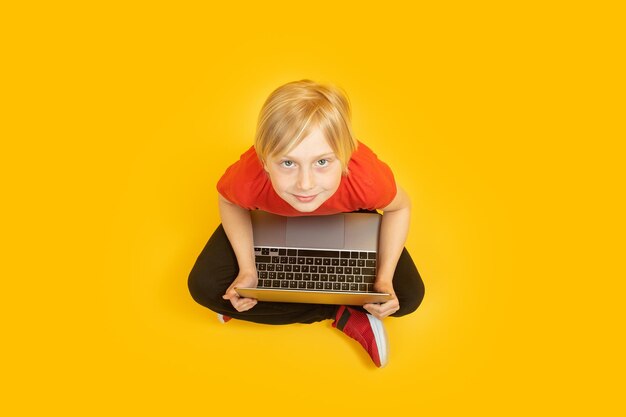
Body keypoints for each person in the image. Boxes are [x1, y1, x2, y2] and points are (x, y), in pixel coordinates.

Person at [188, 79, 425, 367]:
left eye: (322, 162)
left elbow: (399, 208)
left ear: (346, 157)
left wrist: (384, 278)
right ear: (264, 161)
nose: (305, 184)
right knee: (205, 289)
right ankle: (340, 310)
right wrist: (248, 270)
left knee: (407, 298)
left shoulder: (366, 179)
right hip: (271, 219)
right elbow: (228, 202)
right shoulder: (249, 178)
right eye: (288, 163)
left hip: (347, 218)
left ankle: (316, 307)